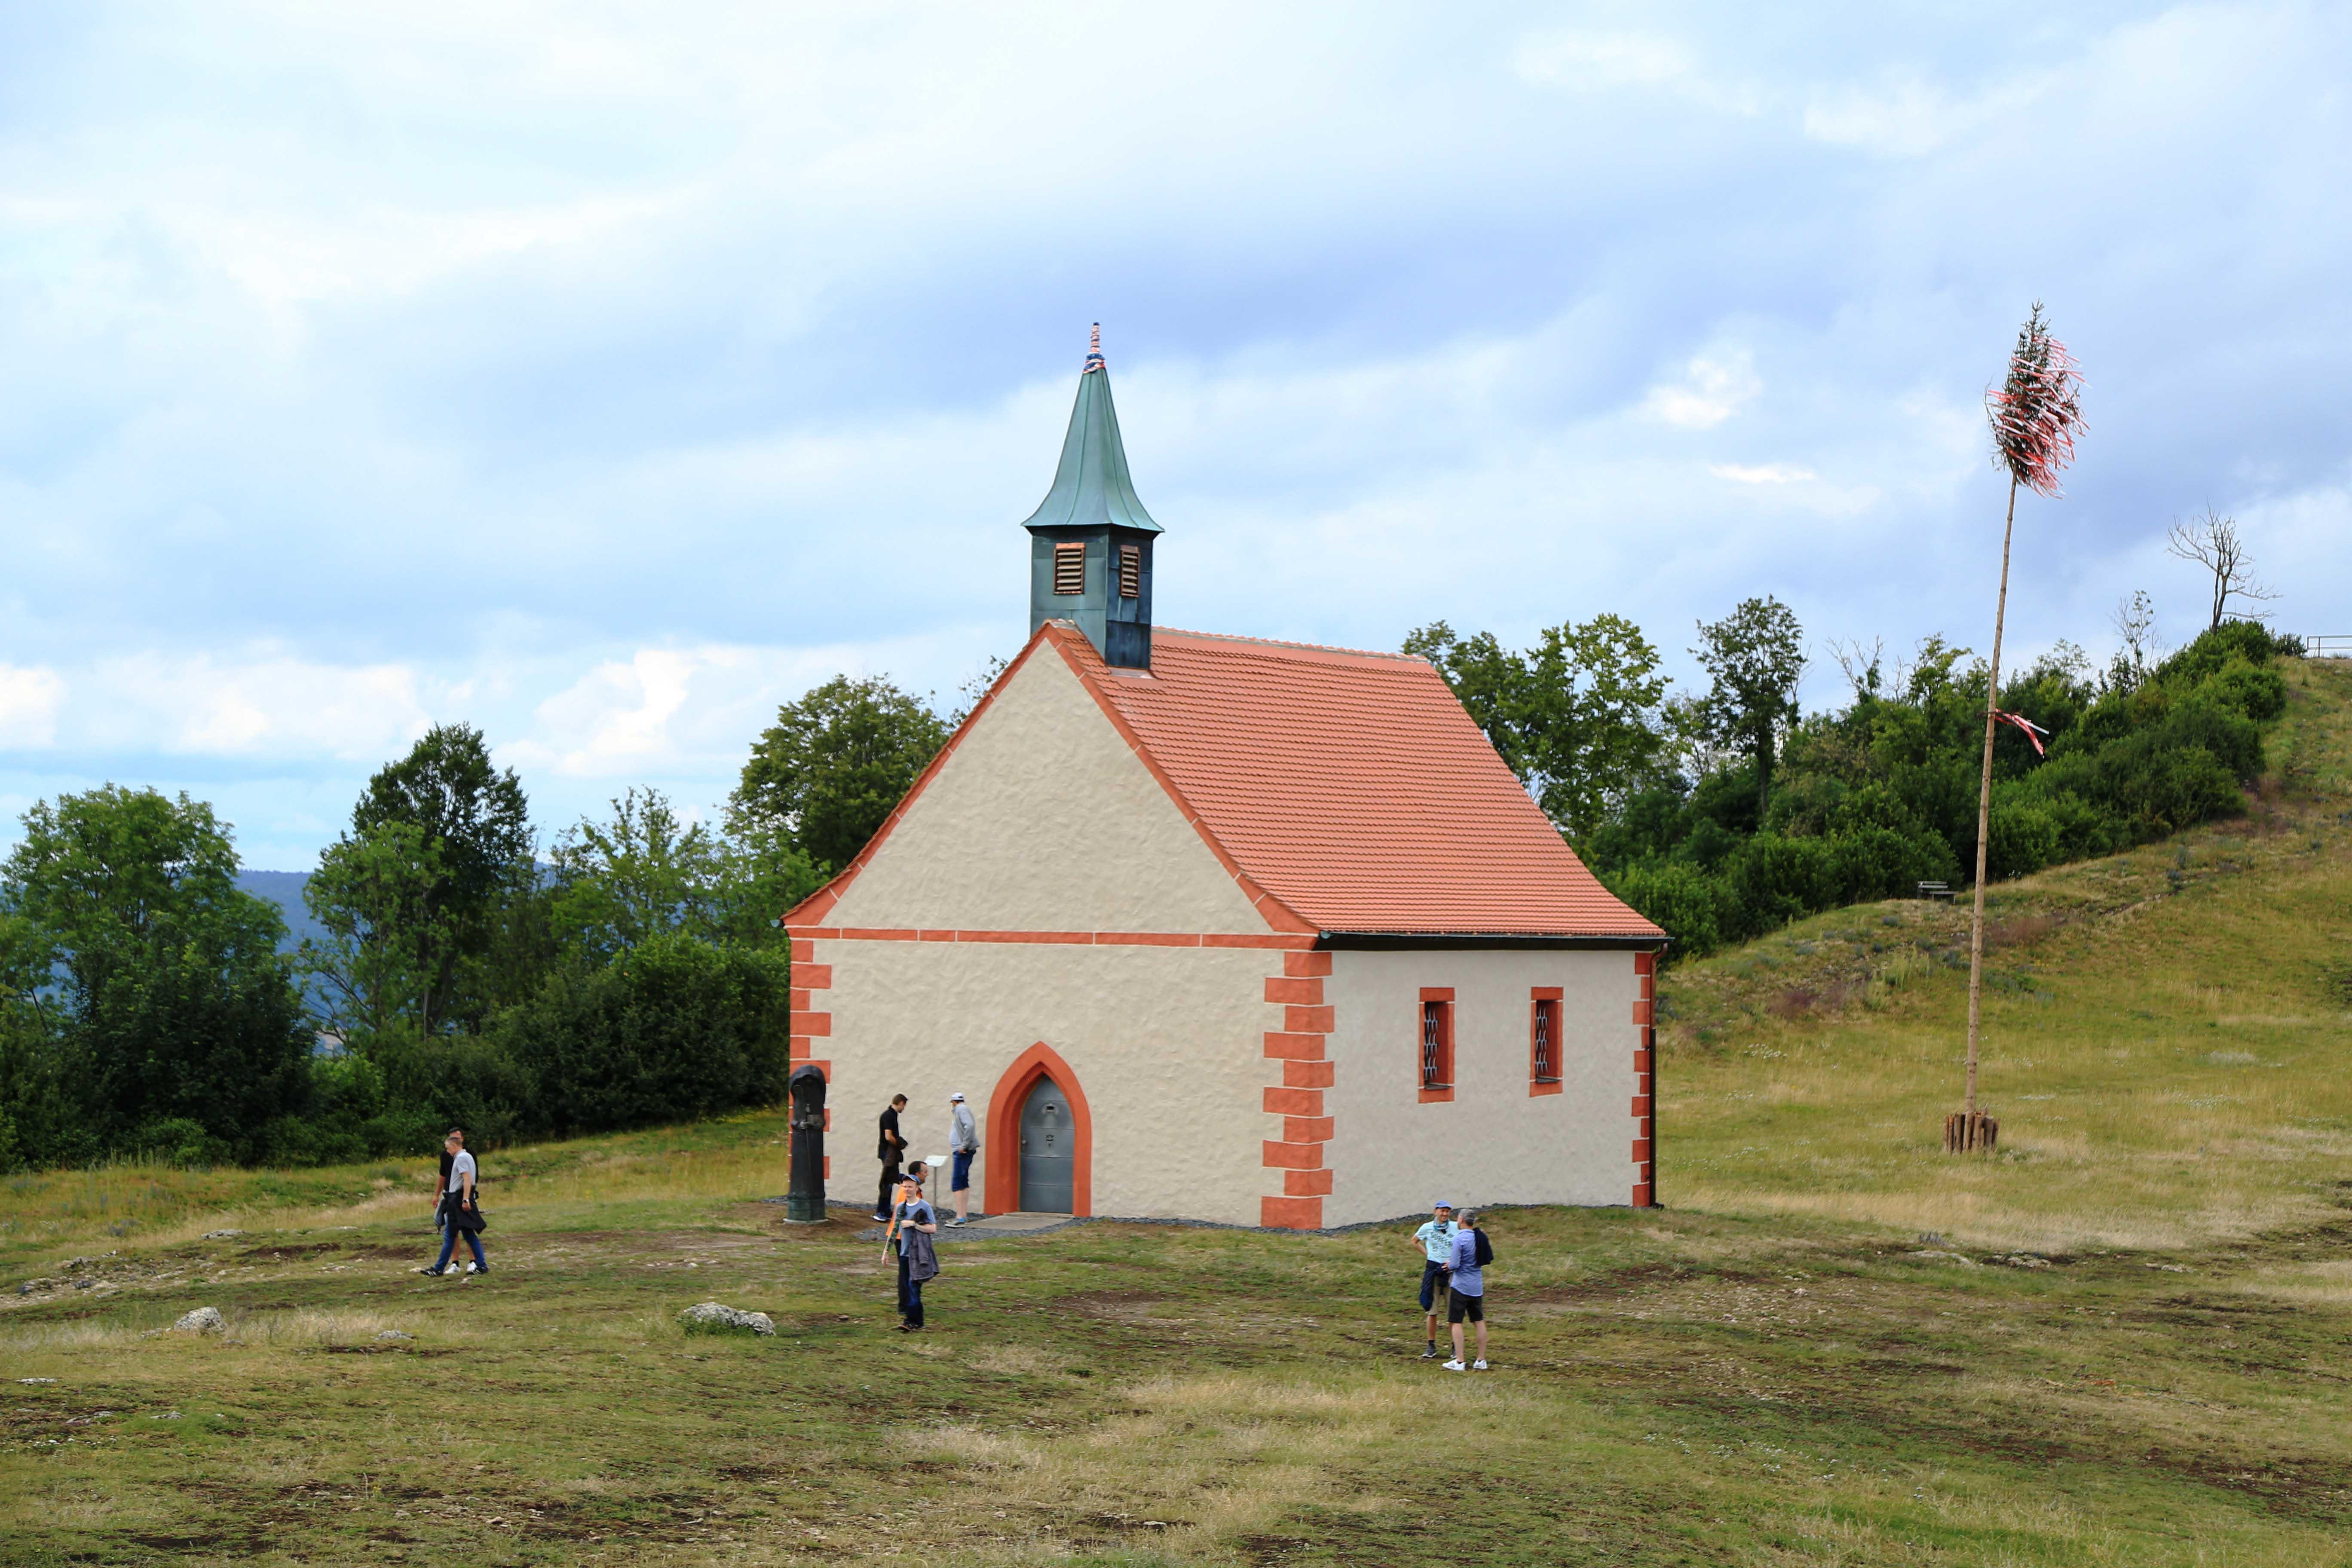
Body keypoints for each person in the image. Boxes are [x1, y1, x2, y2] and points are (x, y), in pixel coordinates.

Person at [422, 1129, 487, 1278]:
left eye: (448, 1148)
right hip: (459, 1198)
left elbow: (467, 1179)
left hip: (457, 1199)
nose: (447, 1151)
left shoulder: (461, 1158)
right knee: (468, 1234)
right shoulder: (468, 1156)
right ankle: (481, 1265)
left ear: (454, 1146)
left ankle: (439, 1268)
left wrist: (465, 1199)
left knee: (450, 1235)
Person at [891, 1164, 940, 1331]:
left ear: (917, 1188)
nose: (907, 1189)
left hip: (918, 1253)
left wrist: (914, 1225)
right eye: (905, 1187)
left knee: (914, 1287)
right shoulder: (900, 1207)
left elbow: (933, 1229)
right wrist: (885, 1252)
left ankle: (912, 1321)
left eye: (910, 1187)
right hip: (904, 1253)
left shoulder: (924, 1207)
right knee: (908, 1287)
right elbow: (894, 1230)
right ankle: (915, 1321)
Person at [1442, 1207, 1488, 1371]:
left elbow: (1455, 1265)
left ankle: (1460, 1361)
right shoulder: (1480, 1237)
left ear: (1461, 1220)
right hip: (1477, 1286)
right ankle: (1481, 1359)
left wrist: (1449, 1265)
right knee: (1478, 1320)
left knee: (1456, 1322)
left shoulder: (1460, 1239)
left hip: (1461, 1286)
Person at [1410, 1201, 1458, 1359]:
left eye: (1448, 1211)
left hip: (1451, 1272)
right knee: (1432, 1311)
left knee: (1453, 1311)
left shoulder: (1456, 1227)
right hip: (1433, 1271)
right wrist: (1428, 1255)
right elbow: (1414, 1241)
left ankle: (1455, 1346)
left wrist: (1455, 1259)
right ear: (1436, 1211)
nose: (1445, 1214)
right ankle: (1431, 1345)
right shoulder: (1427, 1227)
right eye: (1442, 1211)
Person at [946, 1092, 980, 1225]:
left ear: (954, 1102)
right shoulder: (962, 1110)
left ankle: (960, 1217)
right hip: (962, 1151)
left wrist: (964, 1146)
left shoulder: (961, 1109)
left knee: (957, 1184)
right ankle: (963, 1216)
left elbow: (970, 1126)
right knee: (963, 1182)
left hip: (962, 1152)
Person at [874, 1093, 908, 1221]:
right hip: (888, 1152)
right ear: (901, 1103)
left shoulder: (891, 1115)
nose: (904, 1108)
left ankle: (886, 1210)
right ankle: (882, 1211)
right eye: (904, 1106)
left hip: (889, 1152)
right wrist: (899, 1144)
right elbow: (888, 1137)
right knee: (887, 1181)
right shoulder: (889, 1116)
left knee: (890, 1179)